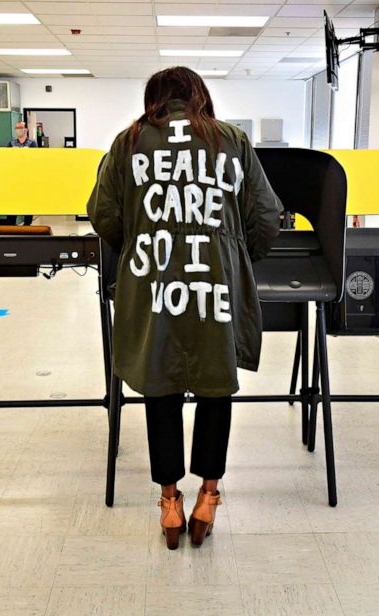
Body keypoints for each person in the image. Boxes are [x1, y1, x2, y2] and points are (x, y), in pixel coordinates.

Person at [88, 67, 282, 550]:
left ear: (153, 99)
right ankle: (209, 497)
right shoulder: (231, 140)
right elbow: (266, 217)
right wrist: (232, 253)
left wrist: (141, 244)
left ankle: (170, 502)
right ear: (200, 96)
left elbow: (103, 214)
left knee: (161, 384)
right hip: (215, 281)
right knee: (216, 383)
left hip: (153, 279)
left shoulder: (128, 142)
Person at [6, 121, 38, 224]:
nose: (18, 129)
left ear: (26, 130)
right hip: (13, 179)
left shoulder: (32, 144)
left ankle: (27, 226)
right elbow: (7, 160)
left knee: (27, 203)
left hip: (27, 178)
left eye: (20, 127)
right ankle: (11, 226)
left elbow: (34, 160)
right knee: (12, 203)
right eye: (17, 128)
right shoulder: (11, 143)